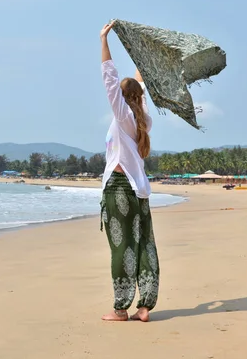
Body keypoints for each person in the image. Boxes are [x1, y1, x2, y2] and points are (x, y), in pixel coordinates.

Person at [99, 21, 160, 322]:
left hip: (120, 188)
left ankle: (120, 309)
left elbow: (109, 78)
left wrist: (104, 40)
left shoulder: (123, 115)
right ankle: (145, 306)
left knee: (122, 247)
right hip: (141, 191)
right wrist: (139, 55)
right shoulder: (143, 119)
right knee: (144, 244)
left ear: (122, 99)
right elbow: (139, 87)